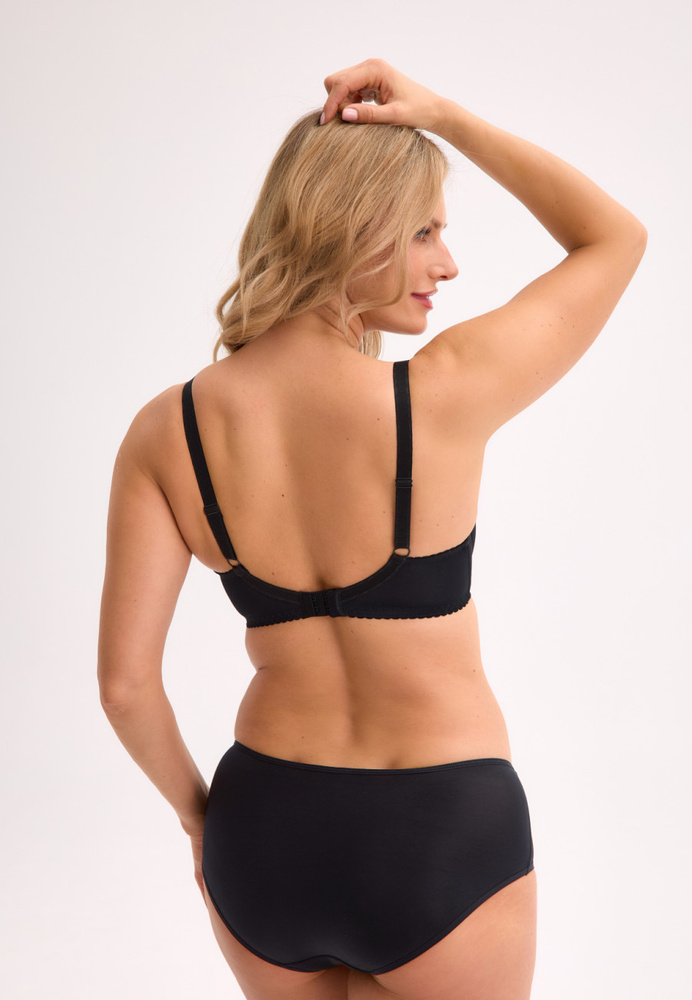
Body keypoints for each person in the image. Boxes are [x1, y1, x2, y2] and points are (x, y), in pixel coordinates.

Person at [98, 59, 647, 1000]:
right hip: (441, 834)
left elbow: (124, 687)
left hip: (261, 832)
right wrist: (443, 115)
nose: (448, 264)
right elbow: (615, 237)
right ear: (353, 226)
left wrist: (201, 821)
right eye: (425, 231)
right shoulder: (440, 394)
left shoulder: (165, 430)